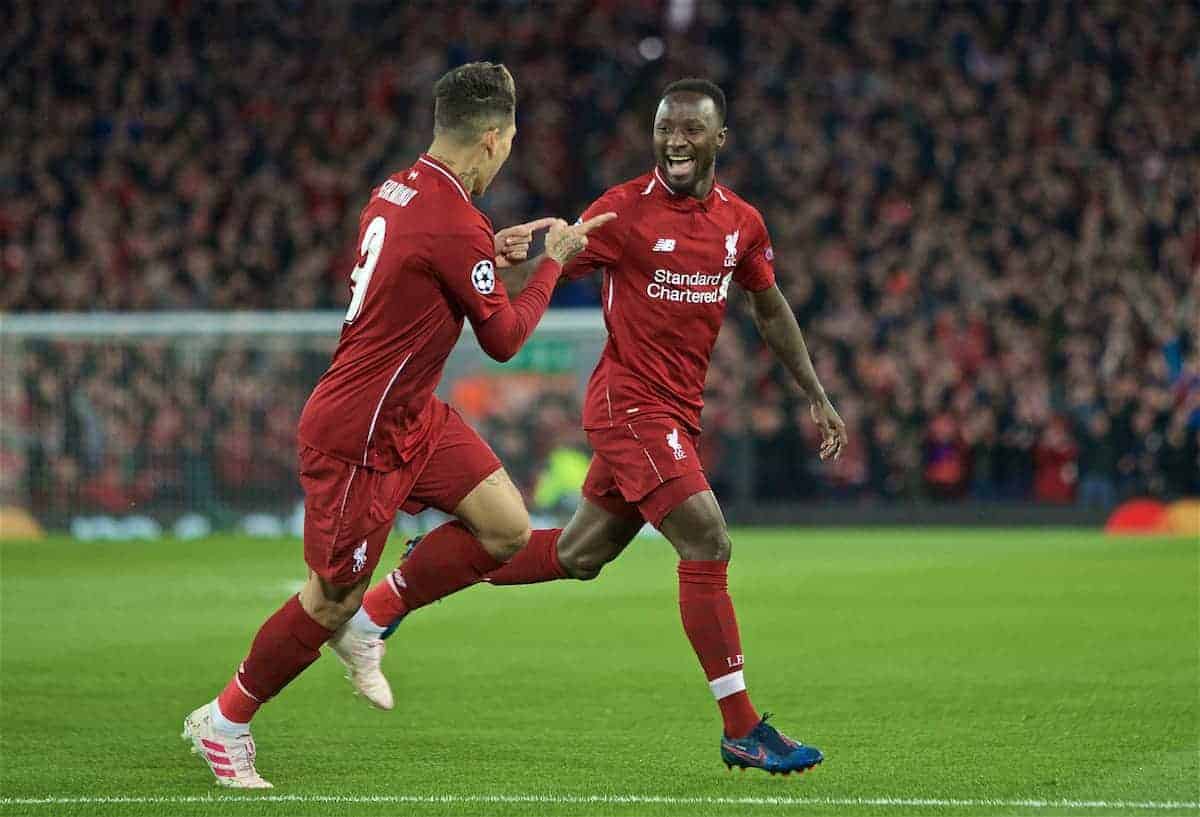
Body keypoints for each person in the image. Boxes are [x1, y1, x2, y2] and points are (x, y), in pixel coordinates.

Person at [337, 78, 848, 776]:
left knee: (580, 554)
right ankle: (742, 727)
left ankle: (410, 580)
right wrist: (506, 253)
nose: (674, 140)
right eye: (666, 127)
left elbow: (769, 306)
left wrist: (815, 393)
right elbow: (555, 255)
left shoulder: (742, 223)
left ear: (719, 140)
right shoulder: (623, 211)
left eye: (691, 130)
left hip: (673, 412)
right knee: (708, 537)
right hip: (629, 406)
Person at [181, 61, 614, 788]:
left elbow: (424, 273)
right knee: (326, 596)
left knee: (505, 526)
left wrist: (486, 253)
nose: (508, 152)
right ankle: (224, 721)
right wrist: (551, 265)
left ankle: (375, 616)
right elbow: (505, 340)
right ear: (492, 139)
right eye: (509, 142)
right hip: (360, 435)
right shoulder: (453, 221)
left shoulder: (399, 188)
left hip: (412, 411)